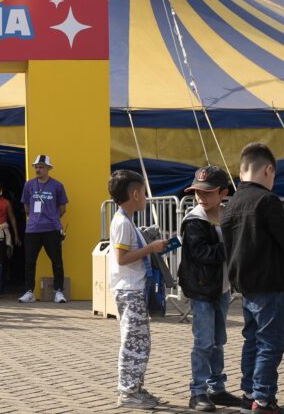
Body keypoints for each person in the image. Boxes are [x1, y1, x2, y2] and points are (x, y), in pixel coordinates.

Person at [221, 143, 284, 414]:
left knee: (252, 340)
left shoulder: (230, 206)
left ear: (241, 171)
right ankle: (263, 401)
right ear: (268, 170)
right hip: (270, 285)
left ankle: (249, 394)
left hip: (246, 288)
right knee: (270, 343)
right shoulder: (267, 201)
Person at [177, 166, 241, 412]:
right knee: (204, 342)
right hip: (202, 290)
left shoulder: (227, 215)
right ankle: (198, 391)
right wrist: (234, 245)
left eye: (207, 193)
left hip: (221, 289)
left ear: (223, 192)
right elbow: (203, 253)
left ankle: (217, 388)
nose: (201, 197)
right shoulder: (194, 220)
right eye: (197, 192)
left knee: (218, 341)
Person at [108, 169, 167, 409]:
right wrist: (150, 248)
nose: (145, 197)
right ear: (134, 194)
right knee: (134, 343)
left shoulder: (126, 221)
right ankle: (128, 392)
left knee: (140, 342)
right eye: (143, 192)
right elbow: (122, 258)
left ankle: (135, 388)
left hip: (134, 290)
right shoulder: (122, 222)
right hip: (129, 291)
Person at [19, 154, 69, 304]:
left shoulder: (57, 185)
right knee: (30, 262)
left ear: (48, 168)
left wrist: (51, 218)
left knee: (57, 261)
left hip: (52, 228)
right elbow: (26, 206)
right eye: (36, 167)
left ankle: (59, 292)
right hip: (33, 229)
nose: (38, 169)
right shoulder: (29, 185)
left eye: (41, 167)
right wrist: (35, 217)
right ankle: (29, 292)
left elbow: (62, 209)